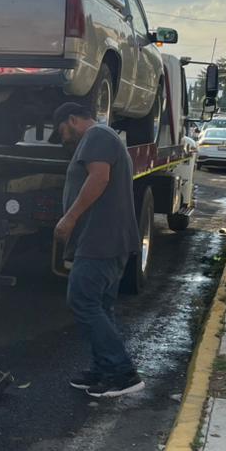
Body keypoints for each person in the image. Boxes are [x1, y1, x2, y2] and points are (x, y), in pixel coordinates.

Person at [51, 102, 144, 398]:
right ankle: (104, 368)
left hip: (101, 239)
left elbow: (99, 177)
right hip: (107, 239)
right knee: (100, 306)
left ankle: (123, 373)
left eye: (62, 131)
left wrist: (70, 218)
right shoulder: (103, 137)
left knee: (82, 300)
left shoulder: (97, 136)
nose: (63, 138)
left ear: (73, 119)